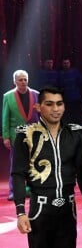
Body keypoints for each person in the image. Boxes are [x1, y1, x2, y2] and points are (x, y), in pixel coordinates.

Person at [11, 85, 82, 248]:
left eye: (59, 104)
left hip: (67, 211)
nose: (55, 109)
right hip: (40, 212)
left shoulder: (75, 134)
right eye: (49, 104)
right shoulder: (26, 135)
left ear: (64, 106)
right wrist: (20, 212)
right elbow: (18, 174)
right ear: (38, 107)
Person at [2, 70, 39, 201]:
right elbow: (5, 117)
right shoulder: (8, 96)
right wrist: (6, 136)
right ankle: (14, 191)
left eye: (25, 79)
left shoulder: (36, 94)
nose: (23, 82)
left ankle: (30, 188)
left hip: (33, 134)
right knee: (15, 164)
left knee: (32, 162)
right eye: (20, 80)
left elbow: (41, 116)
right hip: (15, 135)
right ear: (15, 81)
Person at [58, 58, 82, 125]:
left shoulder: (75, 72)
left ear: (70, 63)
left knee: (76, 115)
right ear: (62, 64)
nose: (66, 65)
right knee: (66, 116)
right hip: (65, 99)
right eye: (64, 63)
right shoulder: (59, 73)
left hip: (75, 98)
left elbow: (80, 82)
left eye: (67, 63)